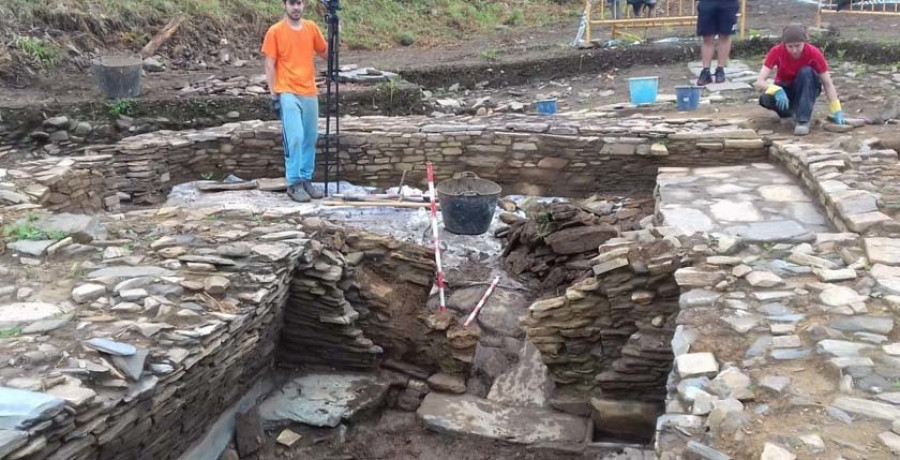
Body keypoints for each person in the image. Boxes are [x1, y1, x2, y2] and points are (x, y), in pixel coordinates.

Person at [261, 0, 328, 202]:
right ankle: (294, 182)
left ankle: (306, 178)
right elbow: (269, 64)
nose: (296, 7)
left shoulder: (311, 28)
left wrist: (334, 34)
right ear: (285, 5)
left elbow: (326, 54)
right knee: (295, 137)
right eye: (292, 3)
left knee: (310, 137)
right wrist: (274, 95)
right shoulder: (275, 31)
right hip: (287, 90)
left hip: (309, 90)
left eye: (299, 3)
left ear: (304, 5)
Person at [753, 24, 846, 136]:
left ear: (804, 42)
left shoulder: (813, 53)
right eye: (790, 46)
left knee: (806, 72)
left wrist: (836, 109)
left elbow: (828, 84)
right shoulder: (776, 51)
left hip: (807, 87)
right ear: (784, 45)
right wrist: (776, 89)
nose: (794, 50)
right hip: (785, 88)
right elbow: (759, 81)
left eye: (798, 46)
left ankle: (803, 120)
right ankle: (788, 113)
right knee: (765, 99)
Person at [695, 0, 740, 86]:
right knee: (707, 36)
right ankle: (705, 71)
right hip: (707, 3)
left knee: (725, 35)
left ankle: (720, 70)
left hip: (728, 3)